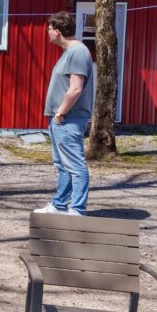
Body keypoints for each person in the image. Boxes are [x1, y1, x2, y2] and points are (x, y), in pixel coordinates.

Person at [36, 11, 95, 215]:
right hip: (61, 118)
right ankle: (59, 204)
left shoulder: (77, 52)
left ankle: (78, 209)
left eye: (49, 29)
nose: (48, 33)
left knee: (75, 165)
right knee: (63, 164)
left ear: (58, 31)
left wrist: (60, 113)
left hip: (68, 119)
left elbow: (76, 88)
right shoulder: (70, 52)